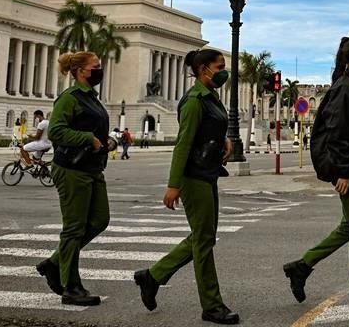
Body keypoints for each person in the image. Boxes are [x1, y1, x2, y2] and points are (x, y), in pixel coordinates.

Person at [283, 36, 349, 314]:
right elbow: (336, 132)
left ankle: (302, 266)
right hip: (346, 163)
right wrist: (342, 171)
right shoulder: (345, 88)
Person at [134, 49, 238, 325]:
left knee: (204, 236)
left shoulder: (211, 97)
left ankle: (153, 276)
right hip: (194, 176)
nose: (223, 71)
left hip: (209, 172)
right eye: (220, 66)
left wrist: (224, 140)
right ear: (204, 70)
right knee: (203, 240)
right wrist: (173, 185)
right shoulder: (193, 101)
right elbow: (183, 144)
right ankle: (212, 305)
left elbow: (209, 130)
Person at [36, 51, 111, 306]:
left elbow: (92, 128)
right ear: (80, 70)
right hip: (72, 169)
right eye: (96, 66)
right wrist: (87, 138)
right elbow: (56, 130)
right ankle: (71, 286)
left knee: (100, 220)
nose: (100, 70)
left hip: (92, 168)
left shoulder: (91, 98)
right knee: (74, 228)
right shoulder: (70, 98)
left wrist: (106, 140)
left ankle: (55, 263)